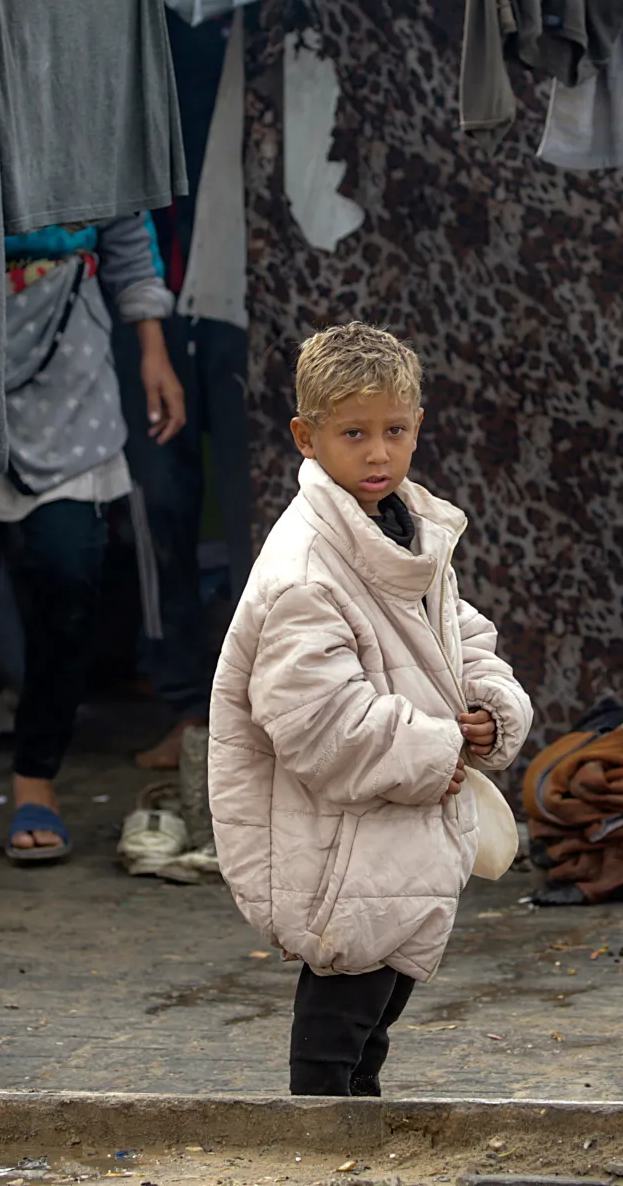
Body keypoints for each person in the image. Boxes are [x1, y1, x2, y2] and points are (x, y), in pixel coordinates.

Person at [208, 323, 533, 1097]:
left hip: (399, 818)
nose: (378, 453)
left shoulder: (407, 529)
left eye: (394, 431)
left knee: (380, 1002)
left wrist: (488, 705)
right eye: (354, 434)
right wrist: (437, 749)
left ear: (418, 425)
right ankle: (321, 1138)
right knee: (344, 1003)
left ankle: (357, 1125)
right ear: (307, 438)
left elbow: (457, 633)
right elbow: (317, 719)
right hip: (342, 832)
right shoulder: (305, 571)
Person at [0, 212, 186, 865]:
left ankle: (37, 778)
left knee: (68, 585)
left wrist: (153, 347)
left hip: (71, 364)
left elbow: (128, 229)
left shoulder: (85, 139)